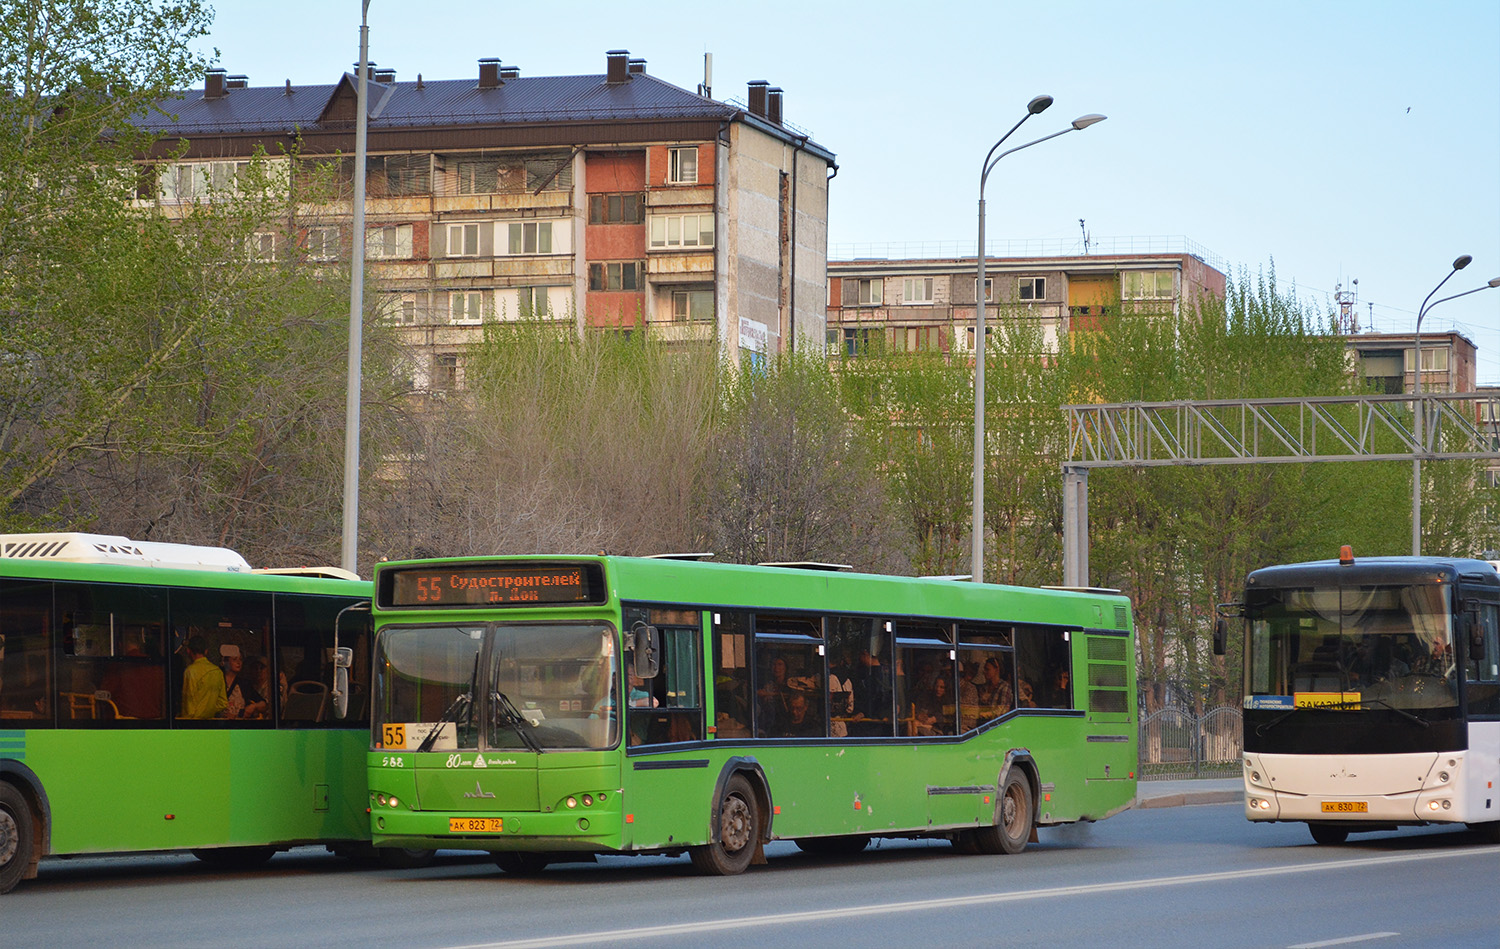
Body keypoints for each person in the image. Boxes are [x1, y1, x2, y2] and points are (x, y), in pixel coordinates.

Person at [180, 635, 227, 719]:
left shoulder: (190, 671)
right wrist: (208, 709)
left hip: (192, 723)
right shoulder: (217, 671)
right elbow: (223, 702)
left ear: (188, 651)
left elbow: (189, 703)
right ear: (206, 651)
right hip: (209, 722)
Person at [223, 646, 268, 720]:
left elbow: (264, 704)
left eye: (240, 659)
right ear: (226, 662)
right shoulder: (218, 681)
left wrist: (253, 707)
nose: (238, 662)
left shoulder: (244, 684)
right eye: (234, 659)